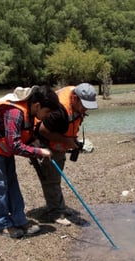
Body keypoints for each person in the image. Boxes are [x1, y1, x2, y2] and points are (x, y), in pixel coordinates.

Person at [0, 85, 60, 238]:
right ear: (38, 105)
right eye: (46, 112)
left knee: (12, 181)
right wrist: (39, 152)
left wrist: (35, 142)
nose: (46, 116)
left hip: (3, 145)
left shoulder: (31, 112)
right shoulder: (15, 112)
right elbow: (16, 146)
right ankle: (2, 224)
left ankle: (19, 219)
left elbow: (24, 134)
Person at [33, 83, 98, 226]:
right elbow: (43, 131)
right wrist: (66, 141)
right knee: (51, 178)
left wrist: (70, 140)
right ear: (75, 98)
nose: (86, 109)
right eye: (84, 105)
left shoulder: (75, 99)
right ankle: (55, 212)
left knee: (56, 177)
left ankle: (59, 206)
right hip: (45, 144)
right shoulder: (59, 111)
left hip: (59, 141)